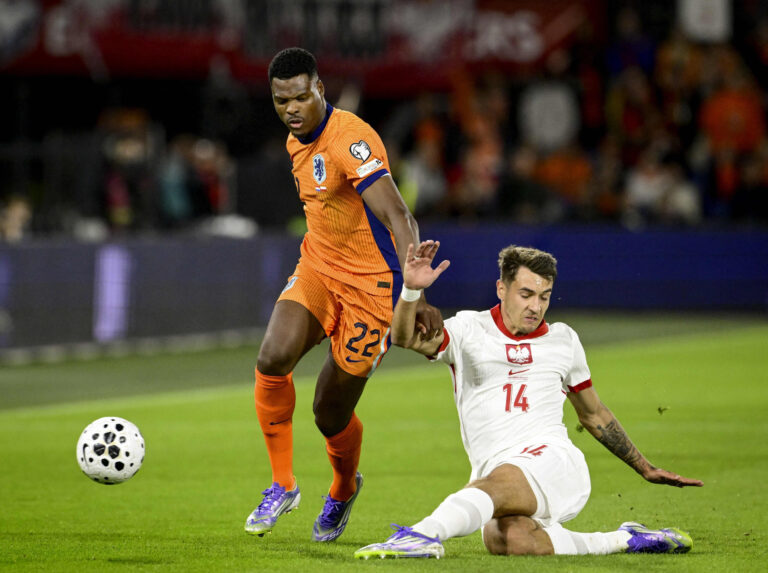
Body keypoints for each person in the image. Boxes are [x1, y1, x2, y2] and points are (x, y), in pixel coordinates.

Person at [354, 241, 703, 559]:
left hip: (554, 461)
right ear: (501, 289)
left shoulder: (563, 340)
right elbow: (404, 338)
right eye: (526, 294)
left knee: (497, 487)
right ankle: (626, 539)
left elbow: (594, 414)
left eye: (544, 296)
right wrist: (411, 290)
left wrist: (644, 467)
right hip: (496, 470)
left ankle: (420, 535)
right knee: (511, 541)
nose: (536, 306)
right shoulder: (468, 329)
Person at [244, 48, 441, 542]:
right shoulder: (295, 139)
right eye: (281, 101)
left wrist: (414, 292)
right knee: (272, 358)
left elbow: (398, 214)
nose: (291, 109)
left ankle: (343, 486)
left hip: (371, 290)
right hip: (318, 267)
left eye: (300, 97)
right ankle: (282, 484)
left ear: (320, 89)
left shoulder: (350, 140)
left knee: (328, 413)